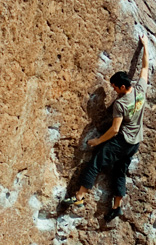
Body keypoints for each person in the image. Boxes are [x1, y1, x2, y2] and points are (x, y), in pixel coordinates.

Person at [63, 35, 149, 222]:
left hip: (122, 141)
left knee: (96, 162)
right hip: (135, 142)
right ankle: (117, 206)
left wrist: (97, 141)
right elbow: (144, 68)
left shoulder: (120, 104)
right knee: (119, 171)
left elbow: (115, 130)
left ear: (122, 86)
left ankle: (79, 197)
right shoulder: (140, 90)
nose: (113, 91)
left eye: (115, 88)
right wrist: (145, 47)